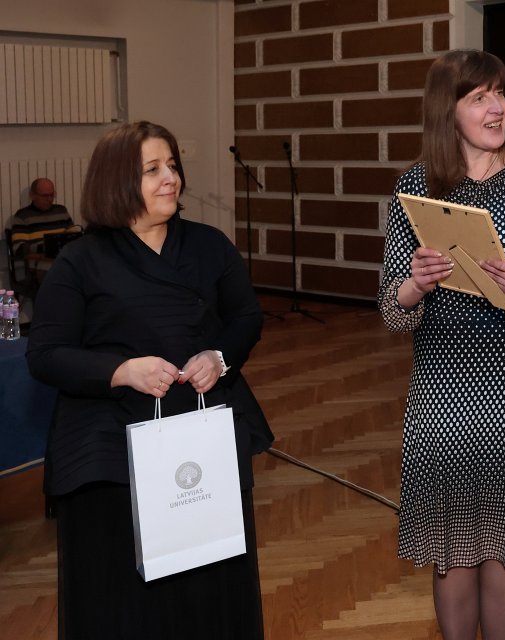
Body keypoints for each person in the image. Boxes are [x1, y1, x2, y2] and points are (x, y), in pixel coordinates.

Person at [26, 121, 273, 640]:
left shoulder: (210, 245)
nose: (171, 179)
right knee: (124, 594)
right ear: (117, 181)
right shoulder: (80, 260)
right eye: (153, 169)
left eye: (173, 166)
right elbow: (46, 355)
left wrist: (220, 356)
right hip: (110, 449)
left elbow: (246, 318)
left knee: (211, 579)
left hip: (200, 435)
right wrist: (122, 371)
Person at [378, 49, 505, 640]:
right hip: (443, 388)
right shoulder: (416, 186)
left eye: (500, 93)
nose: (498, 107)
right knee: (452, 548)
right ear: (448, 109)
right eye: (479, 96)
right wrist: (416, 282)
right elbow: (392, 310)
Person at [6, 177, 77, 257]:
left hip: (65, 256)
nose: (49, 199)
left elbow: (75, 237)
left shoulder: (61, 211)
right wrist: (46, 247)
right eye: (45, 196)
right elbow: (18, 248)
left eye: (52, 195)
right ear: (32, 195)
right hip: (41, 260)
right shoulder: (22, 216)